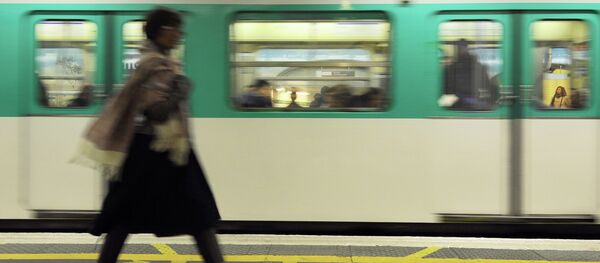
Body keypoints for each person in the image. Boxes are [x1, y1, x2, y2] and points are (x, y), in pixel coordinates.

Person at [73, 7, 223, 263]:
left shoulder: (164, 62)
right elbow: (156, 112)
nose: (178, 35)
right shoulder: (152, 64)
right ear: (160, 32)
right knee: (195, 214)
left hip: (160, 150)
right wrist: (179, 91)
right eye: (173, 29)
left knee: (134, 216)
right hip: (153, 152)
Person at [443, 38, 495, 110]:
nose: (461, 50)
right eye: (460, 48)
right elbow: (487, 86)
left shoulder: (450, 68)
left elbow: (446, 88)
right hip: (470, 102)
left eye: (462, 47)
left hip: (463, 103)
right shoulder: (478, 66)